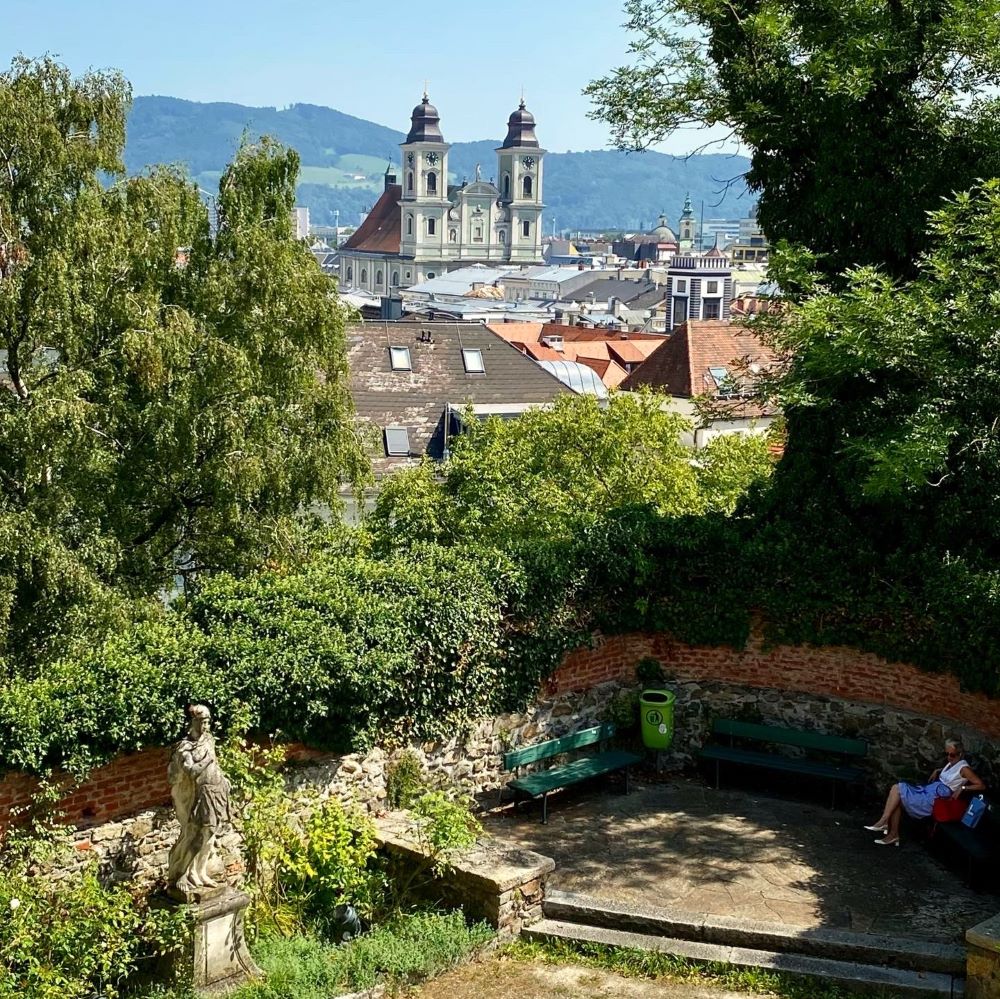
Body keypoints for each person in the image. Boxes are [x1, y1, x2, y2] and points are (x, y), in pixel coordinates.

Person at [864, 739, 985, 846]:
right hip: (929, 792)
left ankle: (884, 822)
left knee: (897, 789)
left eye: (952, 755)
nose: (949, 757)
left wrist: (963, 788)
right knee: (896, 796)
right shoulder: (952, 763)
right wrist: (938, 770)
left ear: (960, 754)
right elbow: (951, 773)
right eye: (946, 754)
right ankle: (892, 834)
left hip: (934, 800)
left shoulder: (964, 769)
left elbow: (981, 785)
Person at [167, 704, 233, 892]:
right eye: (202, 722)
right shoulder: (185, 748)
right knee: (195, 835)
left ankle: (201, 872)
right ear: (193, 721)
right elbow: (191, 771)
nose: (205, 726)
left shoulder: (209, 740)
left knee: (210, 835)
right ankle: (183, 873)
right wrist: (206, 761)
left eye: (207, 722)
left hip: (217, 789)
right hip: (202, 794)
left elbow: (215, 764)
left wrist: (223, 779)